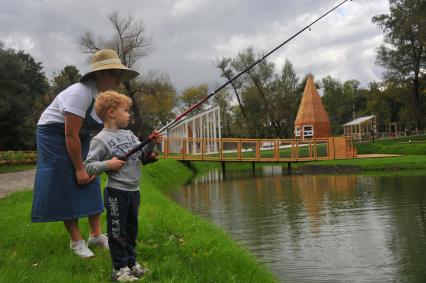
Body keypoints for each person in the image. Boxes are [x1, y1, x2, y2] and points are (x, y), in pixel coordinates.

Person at [31, 49, 140, 258]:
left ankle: (96, 235)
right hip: (55, 134)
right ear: (99, 74)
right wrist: (79, 167)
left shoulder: (104, 98)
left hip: (80, 135)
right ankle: (76, 241)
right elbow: (70, 134)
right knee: (67, 180)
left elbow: (103, 131)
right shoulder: (79, 94)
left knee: (91, 179)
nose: (118, 80)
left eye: (120, 74)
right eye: (114, 73)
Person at [84, 91, 161, 282]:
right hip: (116, 192)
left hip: (134, 191)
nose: (129, 115)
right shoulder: (100, 139)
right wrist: (108, 165)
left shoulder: (129, 134)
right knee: (117, 232)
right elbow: (89, 166)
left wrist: (151, 144)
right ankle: (119, 269)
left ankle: (131, 263)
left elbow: (142, 155)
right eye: (126, 111)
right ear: (111, 112)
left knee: (131, 230)